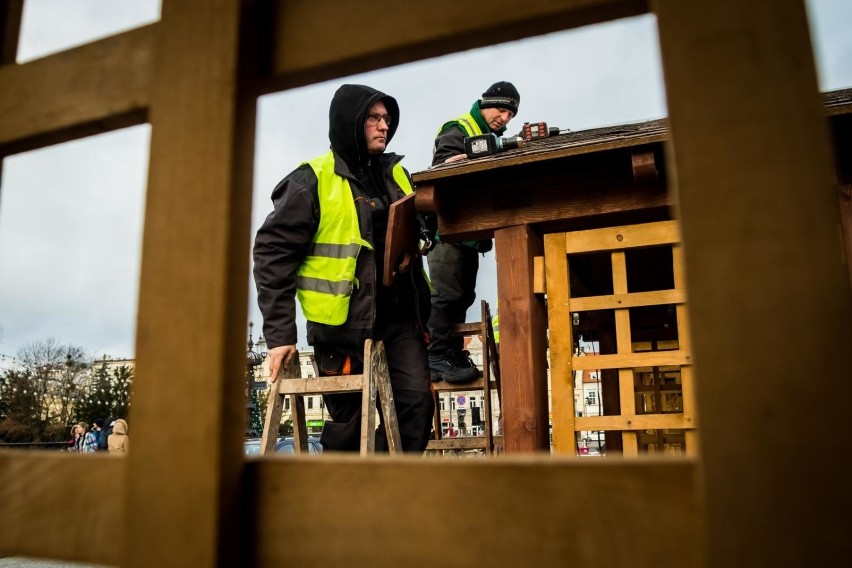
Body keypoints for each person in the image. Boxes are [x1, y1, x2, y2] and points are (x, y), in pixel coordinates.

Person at [253, 84, 434, 453]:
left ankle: (383, 496)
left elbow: (419, 222)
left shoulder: (396, 174)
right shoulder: (311, 181)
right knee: (351, 428)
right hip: (342, 327)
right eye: (373, 118)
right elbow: (271, 253)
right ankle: (345, 498)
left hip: (400, 318)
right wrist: (280, 335)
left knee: (416, 408)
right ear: (350, 122)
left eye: (386, 119)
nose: (384, 126)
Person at [426, 81, 520, 383]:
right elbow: (442, 168)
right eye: (502, 110)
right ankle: (436, 355)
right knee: (445, 296)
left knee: (462, 296)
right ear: (486, 104)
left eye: (510, 115)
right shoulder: (458, 129)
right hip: (448, 231)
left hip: (468, 235)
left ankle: (450, 353)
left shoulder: (491, 137)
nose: (505, 118)